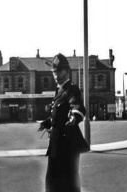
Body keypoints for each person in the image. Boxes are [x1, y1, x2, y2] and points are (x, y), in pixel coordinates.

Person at [38, 53, 89, 192]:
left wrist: (74, 116)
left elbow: (77, 105)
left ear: (67, 72)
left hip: (68, 145)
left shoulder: (71, 89)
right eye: (54, 72)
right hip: (56, 143)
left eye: (59, 71)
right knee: (53, 181)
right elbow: (59, 115)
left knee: (69, 181)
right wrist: (47, 123)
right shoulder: (60, 90)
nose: (56, 75)